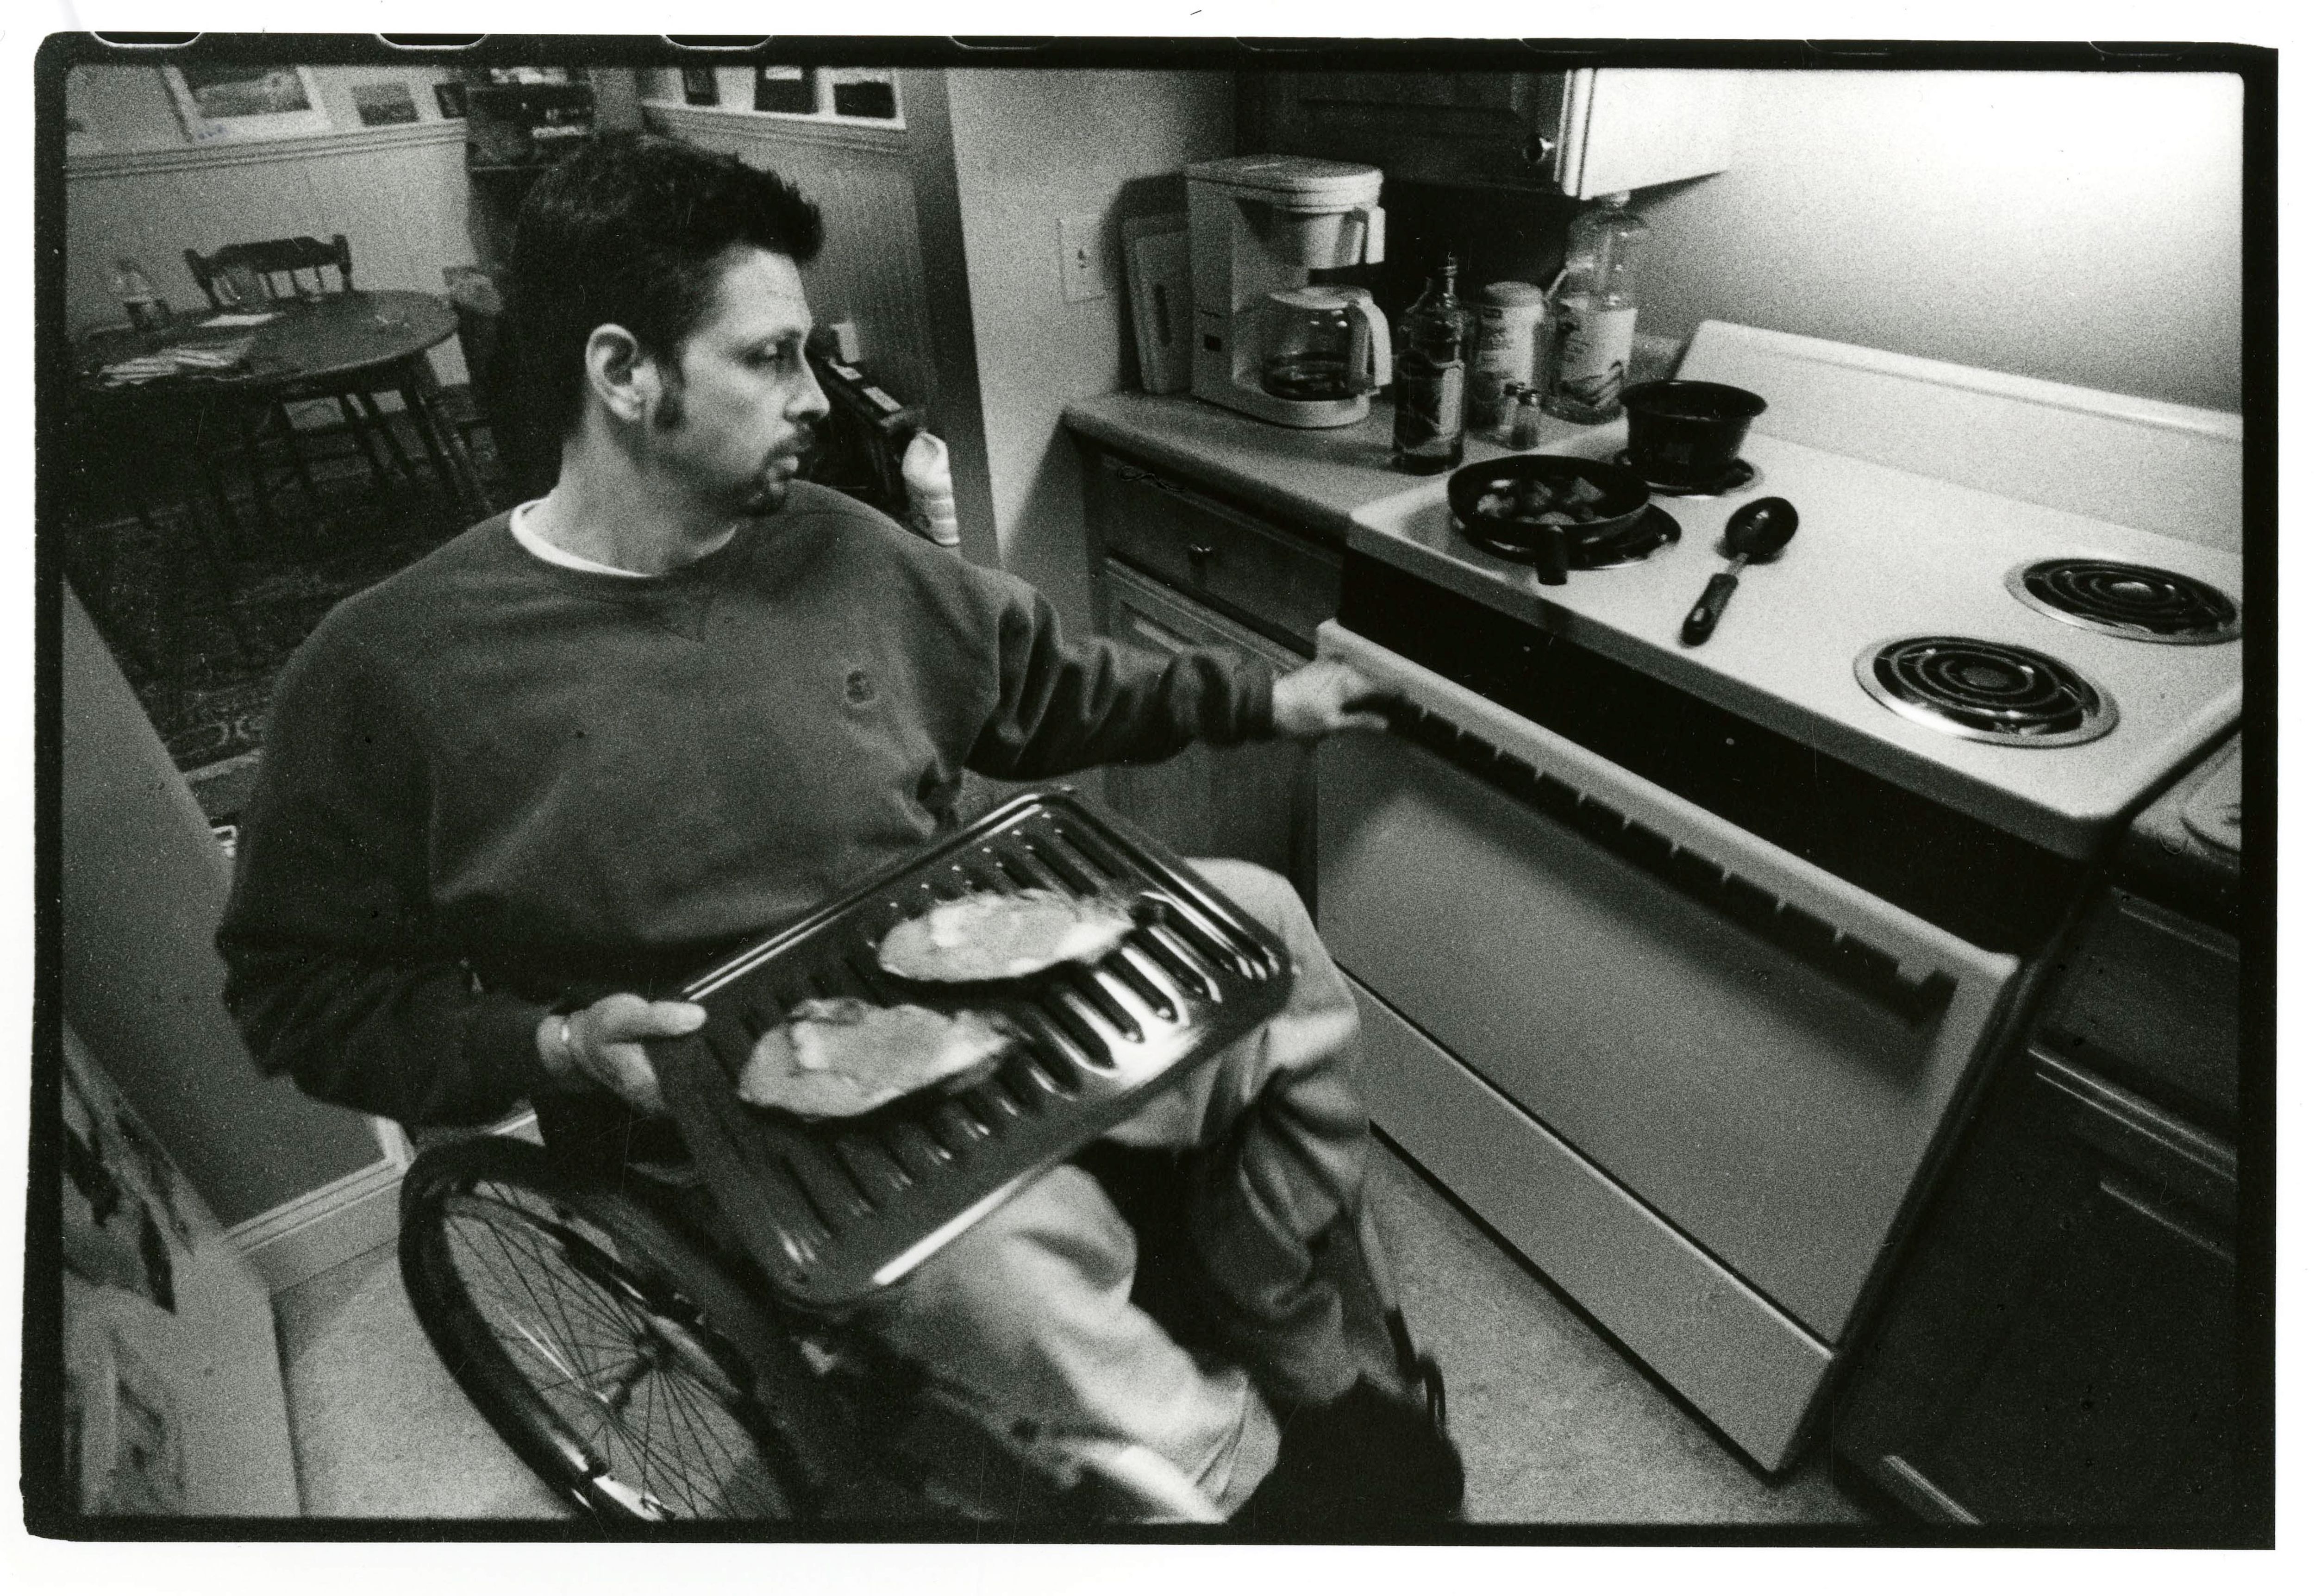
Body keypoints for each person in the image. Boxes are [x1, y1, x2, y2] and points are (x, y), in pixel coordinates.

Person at [216, 131, 1462, 1527]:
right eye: (770, 359)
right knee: (1013, 1255)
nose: (815, 397)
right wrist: (556, 1047)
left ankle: (1269, 1294)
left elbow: (1042, 687)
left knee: (1262, 921)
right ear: (624, 373)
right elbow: (294, 994)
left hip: (960, 987)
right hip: (730, 1117)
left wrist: (1266, 698)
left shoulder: (838, 544)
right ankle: (1227, 1487)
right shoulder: (386, 673)